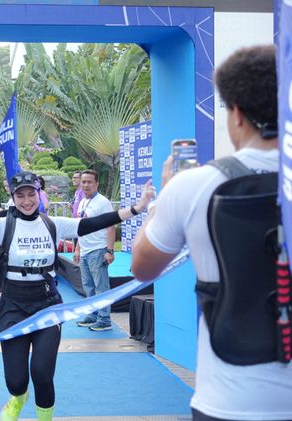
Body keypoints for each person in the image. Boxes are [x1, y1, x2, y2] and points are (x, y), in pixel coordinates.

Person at [131, 45, 292, 421]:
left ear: (236, 113)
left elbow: (142, 267)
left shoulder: (193, 186)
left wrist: (161, 198)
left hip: (229, 400)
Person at [0, 171, 152, 421]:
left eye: (31, 194)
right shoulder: (3, 225)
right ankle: (18, 397)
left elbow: (94, 223)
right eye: (20, 196)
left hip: (47, 304)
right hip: (12, 305)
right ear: (13, 198)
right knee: (16, 381)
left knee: (42, 374)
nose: (26, 201)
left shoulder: (53, 224)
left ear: (39, 194)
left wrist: (137, 208)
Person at [73, 169, 116, 331]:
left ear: (96, 183)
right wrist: (77, 248)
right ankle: (92, 314)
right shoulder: (82, 202)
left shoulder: (103, 202)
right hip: (85, 251)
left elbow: (111, 226)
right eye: (83, 182)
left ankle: (104, 319)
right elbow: (80, 228)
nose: (85, 185)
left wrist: (110, 251)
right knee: (88, 286)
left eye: (89, 182)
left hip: (98, 249)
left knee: (101, 287)